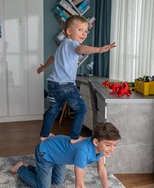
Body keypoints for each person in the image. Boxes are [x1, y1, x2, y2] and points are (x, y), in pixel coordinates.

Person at [11, 122, 124, 188]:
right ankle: (21, 168)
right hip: (45, 153)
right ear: (95, 142)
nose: (112, 149)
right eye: (108, 145)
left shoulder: (100, 148)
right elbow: (79, 186)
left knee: (58, 181)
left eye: (114, 145)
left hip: (59, 156)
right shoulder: (82, 152)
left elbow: (102, 170)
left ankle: (33, 169)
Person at [37, 15, 116, 144]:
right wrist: (99, 49)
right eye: (80, 30)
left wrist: (43, 68)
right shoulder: (73, 44)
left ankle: (44, 135)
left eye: (86, 31)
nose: (84, 34)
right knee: (81, 109)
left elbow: (53, 58)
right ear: (69, 31)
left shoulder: (62, 45)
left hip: (52, 84)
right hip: (66, 85)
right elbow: (80, 49)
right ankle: (74, 137)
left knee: (53, 110)